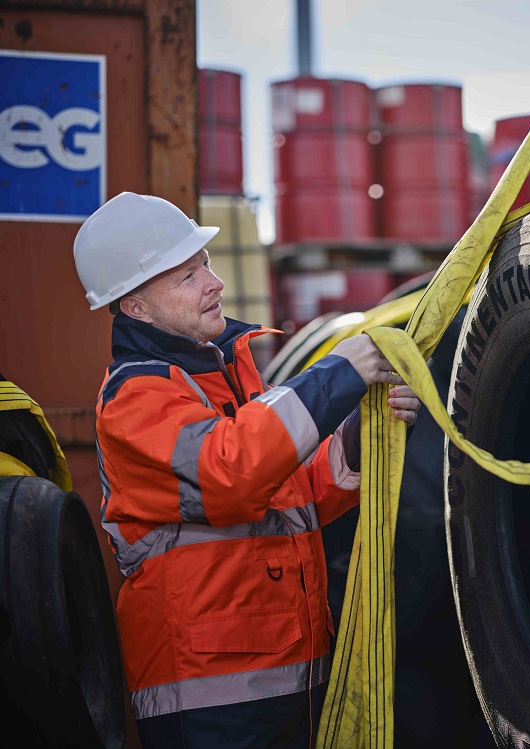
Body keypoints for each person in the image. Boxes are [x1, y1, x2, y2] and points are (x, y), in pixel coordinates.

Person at [73, 191, 420, 748]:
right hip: (212, 700)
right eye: (187, 275)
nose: (214, 282)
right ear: (134, 306)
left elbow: (289, 498)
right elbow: (227, 474)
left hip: (290, 676)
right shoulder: (135, 399)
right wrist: (337, 374)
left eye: (205, 264)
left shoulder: (227, 372)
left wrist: (356, 441)